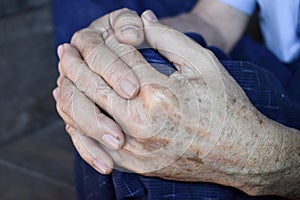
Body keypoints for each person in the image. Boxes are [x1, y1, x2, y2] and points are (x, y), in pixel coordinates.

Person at [52, 0, 300, 199]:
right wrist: (125, 43)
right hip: (284, 61)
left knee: (174, 114)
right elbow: (216, 18)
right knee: (140, 72)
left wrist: (264, 158)